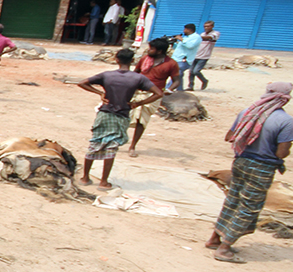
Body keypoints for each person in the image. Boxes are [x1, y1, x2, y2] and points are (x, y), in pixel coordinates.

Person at [207, 82, 293, 262]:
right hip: (262, 167)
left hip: (241, 161)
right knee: (249, 207)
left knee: (233, 200)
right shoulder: (285, 121)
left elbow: (230, 137)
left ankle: (215, 238)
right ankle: (225, 247)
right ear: (284, 98)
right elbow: (281, 152)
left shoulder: (247, 112)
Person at [76, 48, 162, 188]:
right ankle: (103, 182)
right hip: (122, 114)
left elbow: (82, 83)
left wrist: (100, 93)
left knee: (95, 144)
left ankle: (85, 178)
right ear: (132, 61)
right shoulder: (138, 78)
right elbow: (158, 93)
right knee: (112, 146)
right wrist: (138, 103)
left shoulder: (107, 75)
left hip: (104, 113)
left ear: (116, 59)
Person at [129, 37, 179, 157]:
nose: (149, 50)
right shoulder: (144, 59)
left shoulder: (171, 64)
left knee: (142, 120)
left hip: (153, 95)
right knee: (124, 115)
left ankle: (133, 146)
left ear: (160, 51)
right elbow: (135, 73)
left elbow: (176, 81)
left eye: (152, 48)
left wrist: (169, 90)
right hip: (136, 91)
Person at [170, 23, 202, 92]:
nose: (183, 31)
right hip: (176, 59)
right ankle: (180, 90)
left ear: (189, 29)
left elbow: (190, 46)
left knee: (176, 74)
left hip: (184, 60)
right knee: (178, 75)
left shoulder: (196, 37)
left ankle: (168, 89)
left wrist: (181, 39)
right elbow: (180, 47)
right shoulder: (186, 37)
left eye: (184, 29)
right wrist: (174, 43)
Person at [189, 20, 218, 91]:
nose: (206, 28)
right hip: (196, 55)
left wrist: (196, 36)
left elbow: (210, 38)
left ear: (212, 26)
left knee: (196, 71)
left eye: (208, 26)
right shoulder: (202, 34)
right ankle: (190, 86)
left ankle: (204, 80)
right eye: (205, 26)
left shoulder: (215, 33)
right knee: (191, 72)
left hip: (204, 56)